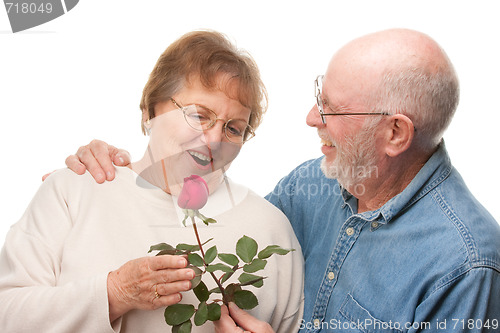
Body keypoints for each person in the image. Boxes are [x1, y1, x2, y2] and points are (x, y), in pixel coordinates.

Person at [55, 28, 500, 332]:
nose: (311, 119)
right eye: (317, 96)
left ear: (396, 133)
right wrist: (122, 172)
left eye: (332, 110)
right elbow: (219, 228)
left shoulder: (466, 265)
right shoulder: (316, 183)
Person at [0, 30, 304, 333]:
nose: (213, 140)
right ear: (150, 110)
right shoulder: (74, 190)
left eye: (234, 128)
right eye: (199, 115)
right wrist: (114, 293)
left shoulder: (271, 229)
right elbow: (7, 313)